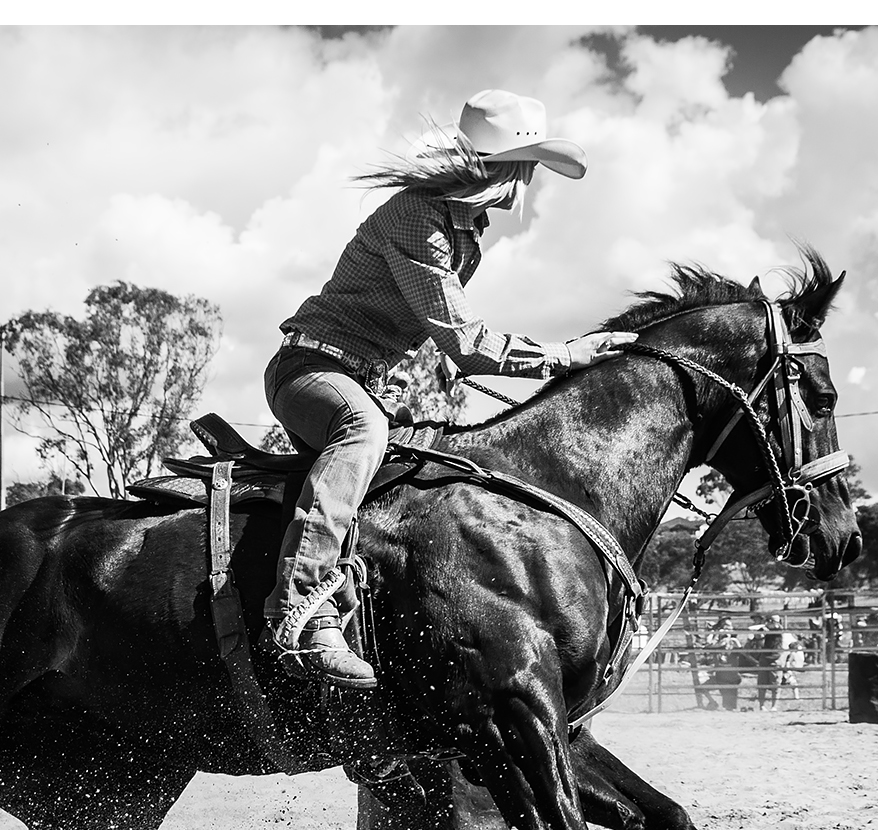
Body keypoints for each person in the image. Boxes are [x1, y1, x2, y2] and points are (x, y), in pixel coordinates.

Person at [262, 89, 636, 688]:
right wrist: (564, 357)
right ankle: (300, 609)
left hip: (360, 376)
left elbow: (448, 342)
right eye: (532, 165)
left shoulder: (461, 226)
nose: (531, 181)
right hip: (312, 371)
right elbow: (463, 339)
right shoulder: (421, 217)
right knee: (364, 431)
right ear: (511, 165)